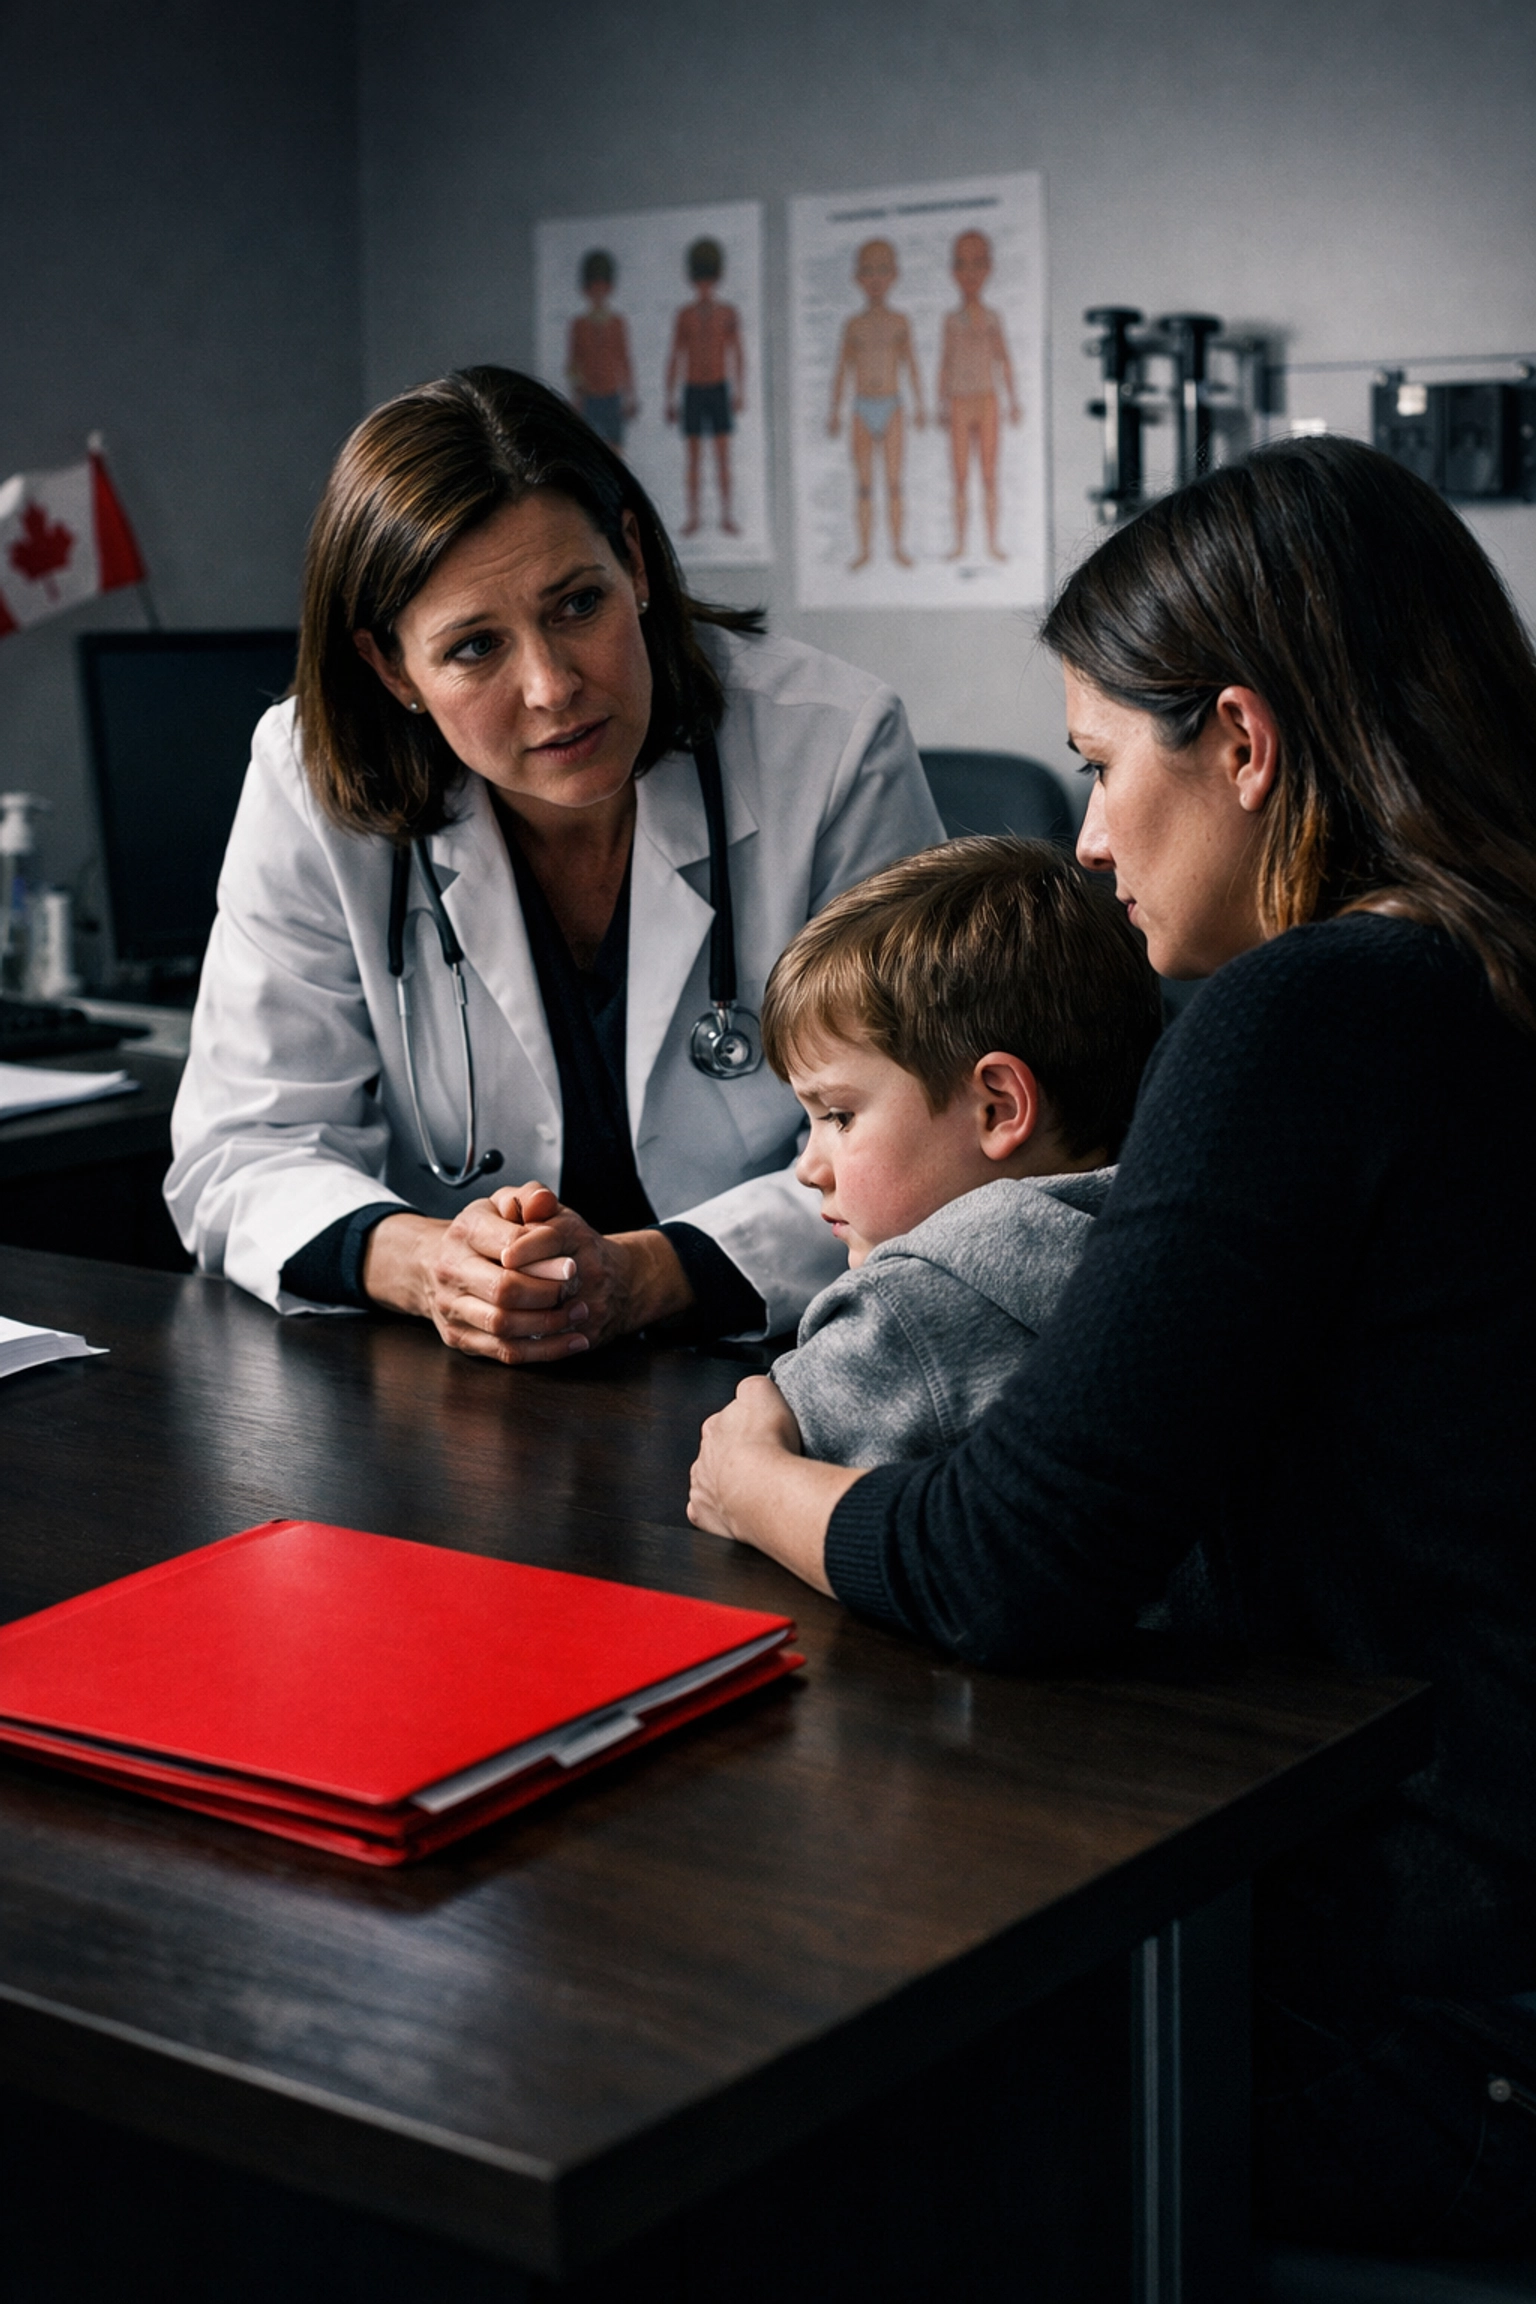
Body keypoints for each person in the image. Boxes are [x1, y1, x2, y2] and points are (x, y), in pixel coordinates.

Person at [689, 436, 1536, 2256]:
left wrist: (761, 1482)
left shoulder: (1309, 1007)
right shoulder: (1489, 970)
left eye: (1096, 763)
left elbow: (1020, 1555)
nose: (1082, 836)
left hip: (1446, 2024)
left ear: (1240, 741)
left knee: (811, 2080)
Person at [167, 367, 942, 1364]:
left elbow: (925, 1133)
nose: (551, 686)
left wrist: (638, 1278)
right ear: (391, 668)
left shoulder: (830, 749)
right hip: (446, 1384)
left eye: (578, 604)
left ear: (635, 563)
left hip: (779, 1359)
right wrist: (437, 1263)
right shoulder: (311, 776)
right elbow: (242, 1148)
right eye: (475, 648)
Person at [762, 837, 1159, 1464]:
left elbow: (746, 1466)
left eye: (839, 1115)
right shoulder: (1170, 1244)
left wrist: (755, 1414)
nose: (809, 1170)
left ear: (997, 1108)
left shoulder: (908, 1308)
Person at [826, 238, 926, 572]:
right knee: (865, 486)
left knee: (895, 483)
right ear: (858, 277)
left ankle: (897, 547)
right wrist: (834, 411)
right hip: (861, 407)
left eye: (882, 269)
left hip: (893, 405)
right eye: (868, 271)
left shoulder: (900, 322)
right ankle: (865, 550)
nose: (875, 278)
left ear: (894, 274)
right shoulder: (853, 325)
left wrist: (921, 405)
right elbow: (842, 369)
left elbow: (911, 364)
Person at [937, 229, 1019, 562]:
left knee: (988, 475)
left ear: (988, 268)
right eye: (962, 264)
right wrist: (940, 403)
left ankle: (991, 543)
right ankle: (959, 544)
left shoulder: (992, 318)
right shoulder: (950, 320)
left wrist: (1013, 401)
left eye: (977, 263)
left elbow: (1004, 360)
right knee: (959, 477)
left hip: (987, 400)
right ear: (953, 270)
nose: (969, 272)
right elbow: (944, 363)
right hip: (959, 401)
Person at [665, 238, 744, 537]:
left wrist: (739, 390)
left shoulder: (727, 313)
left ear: (717, 278)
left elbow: (738, 353)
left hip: (718, 389)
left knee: (723, 457)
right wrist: (670, 398)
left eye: (709, 280)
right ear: (692, 280)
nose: (704, 287)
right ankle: (694, 517)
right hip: (693, 390)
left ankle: (726, 515)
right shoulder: (684, 315)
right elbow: (675, 356)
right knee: (694, 459)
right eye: (700, 280)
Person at [565, 249, 637, 452]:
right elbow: (573, 362)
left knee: (616, 453)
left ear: (609, 288)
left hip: (612, 396)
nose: (598, 293)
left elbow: (625, 360)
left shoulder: (617, 323)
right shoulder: (578, 325)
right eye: (594, 288)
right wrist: (576, 395)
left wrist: (630, 396)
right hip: (588, 399)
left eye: (602, 287)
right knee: (588, 453)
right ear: (586, 290)